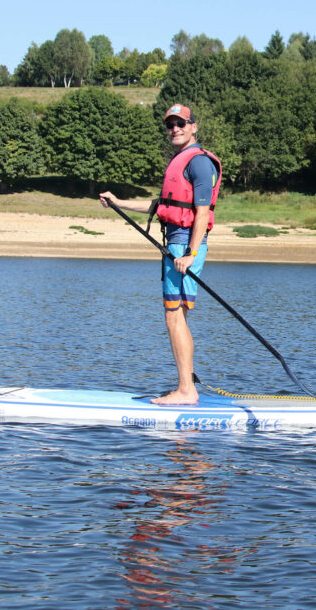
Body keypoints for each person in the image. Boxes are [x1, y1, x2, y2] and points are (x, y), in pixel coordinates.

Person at [100, 104, 222, 405]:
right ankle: (186, 388)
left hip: (184, 247)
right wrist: (119, 202)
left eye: (181, 123)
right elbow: (161, 205)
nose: (175, 129)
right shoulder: (181, 162)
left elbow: (202, 213)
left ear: (194, 126)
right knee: (176, 315)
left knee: (173, 315)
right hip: (177, 245)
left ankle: (185, 390)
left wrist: (191, 253)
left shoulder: (199, 163)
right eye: (170, 125)